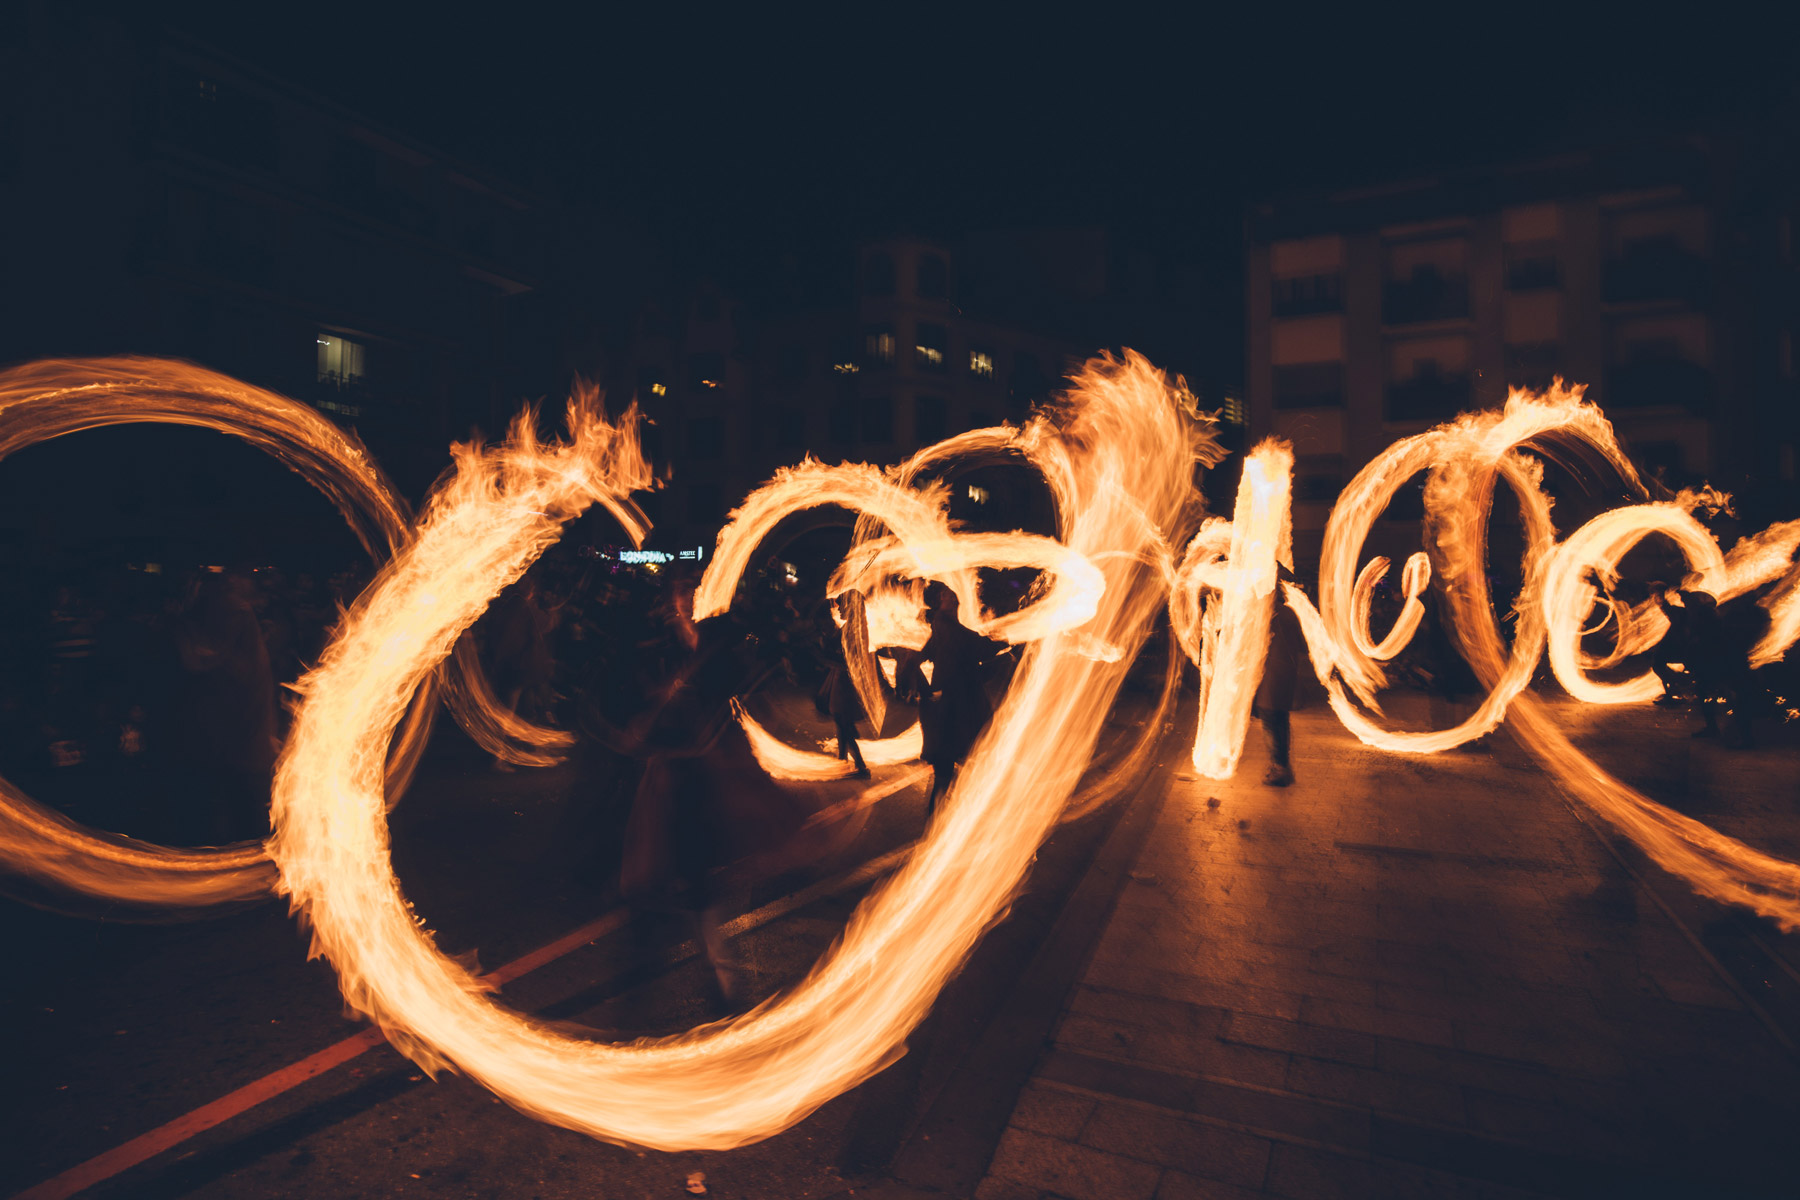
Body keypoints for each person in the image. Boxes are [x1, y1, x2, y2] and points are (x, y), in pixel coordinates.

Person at [906, 582, 1001, 814]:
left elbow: (915, 660)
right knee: (951, 767)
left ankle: (940, 819)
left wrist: (926, 690)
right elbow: (979, 647)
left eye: (952, 596)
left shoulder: (941, 630)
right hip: (954, 710)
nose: (952, 599)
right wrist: (926, 691)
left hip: (952, 708)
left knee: (950, 767)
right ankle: (937, 825)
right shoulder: (949, 630)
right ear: (941, 604)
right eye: (946, 597)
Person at [1254, 568, 1304, 787]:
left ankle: (1279, 769)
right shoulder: (1289, 614)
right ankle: (1282, 766)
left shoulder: (1272, 616)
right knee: (1280, 720)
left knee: (1270, 720)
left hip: (1273, 674)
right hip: (1284, 673)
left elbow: (1258, 644)